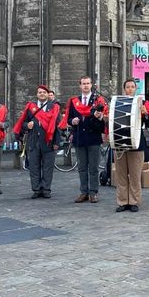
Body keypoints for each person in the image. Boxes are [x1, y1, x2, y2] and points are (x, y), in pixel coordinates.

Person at [59, 76, 107, 204]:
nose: (85, 86)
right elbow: (68, 118)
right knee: (81, 167)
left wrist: (99, 117)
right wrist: (72, 121)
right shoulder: (74, 101)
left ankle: (93, 192)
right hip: (80, 137)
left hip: (94, 138)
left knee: (94, 167)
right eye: (83, 84)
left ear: (91, 85)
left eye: (88, 83)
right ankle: (84, 192)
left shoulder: (98, 101)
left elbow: (104, 121)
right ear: (80, 86)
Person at [13, 85, 62, 198]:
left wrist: (56, 142)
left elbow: (57, 126)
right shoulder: (31, 107)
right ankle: (36, 189)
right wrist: (27, 125)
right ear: (37, 94)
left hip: (48, 141)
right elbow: (23, 123)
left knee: (47, 167)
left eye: (44, 92)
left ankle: (46, 189)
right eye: (39, 92)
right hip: (33, 141)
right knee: (34, 167)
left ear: (48, 94)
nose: (42, 94)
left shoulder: (54, 107)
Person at [114, 78, 149, 212]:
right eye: (128, 87)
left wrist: (146, 114)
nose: (130, 89)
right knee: (121, 174)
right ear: (124, 89)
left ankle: (134, 201)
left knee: (135, 174)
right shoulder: (117, 102)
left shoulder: (142, 103)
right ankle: (122, 201)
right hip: (120, 141)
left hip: (136, 142)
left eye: (132, 87)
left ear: (136, 89)